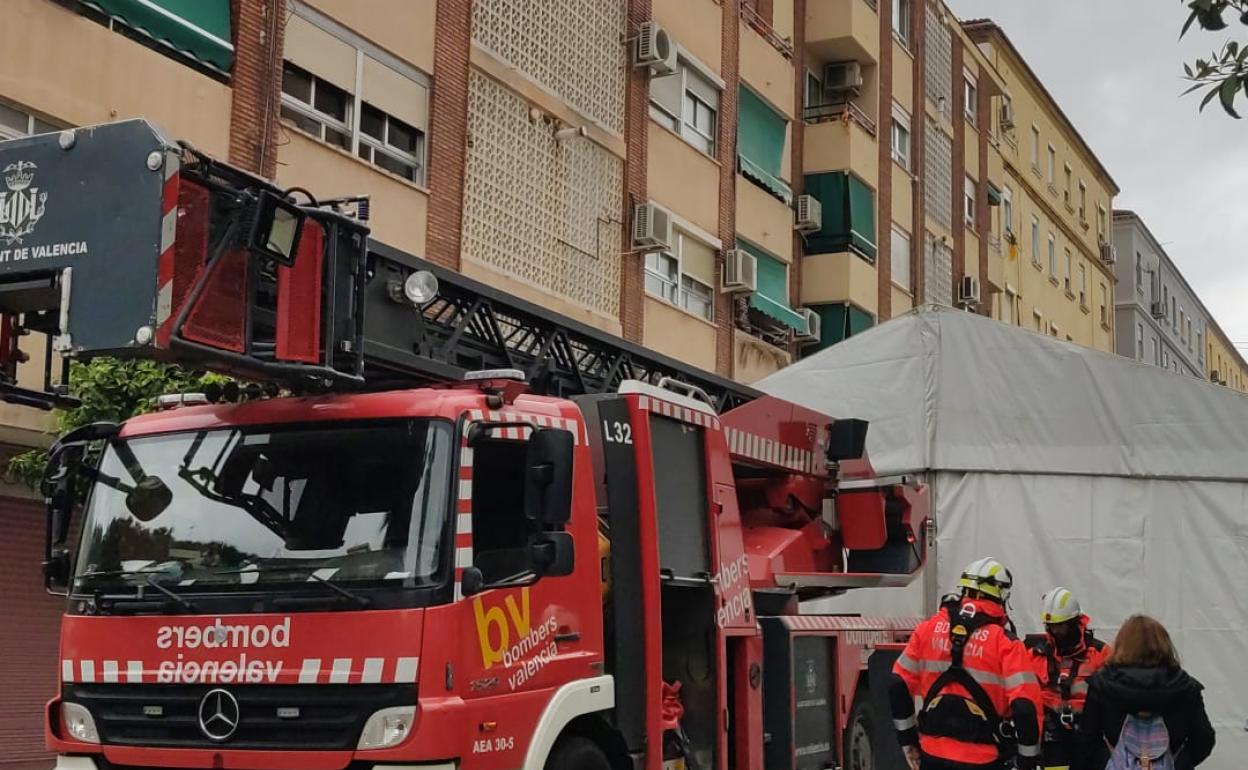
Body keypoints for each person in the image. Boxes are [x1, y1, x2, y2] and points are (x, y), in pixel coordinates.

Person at [889, 557, 1043, 770]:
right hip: (983, 758)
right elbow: (1025, 707)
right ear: (1001, 595)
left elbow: (897, 684)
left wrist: (907, 740)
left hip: (932, 754)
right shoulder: (1006, 643)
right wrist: (1028, 760)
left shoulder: (926, 630)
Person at [1072, 615, 1215, 770]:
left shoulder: (1102, 684)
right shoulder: (1186, 686)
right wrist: (1180, 762)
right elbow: (1204, 738)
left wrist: (1103, 761)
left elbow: (1086, 741)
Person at [1024, 588, 1111, 770]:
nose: (1056, 631)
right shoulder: (1035, 655)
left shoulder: (1100, 653)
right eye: (1051, 626)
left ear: (1074, 623)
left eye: (1060, 625)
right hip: (1052, 738)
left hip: (1090, 735)